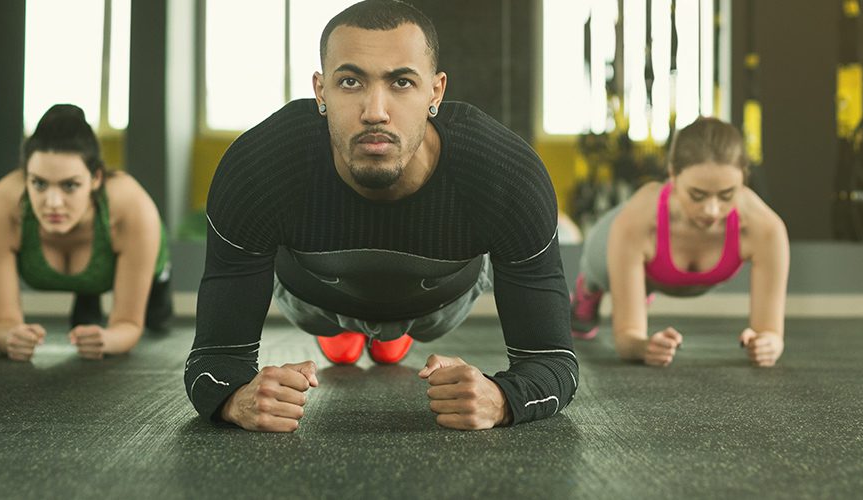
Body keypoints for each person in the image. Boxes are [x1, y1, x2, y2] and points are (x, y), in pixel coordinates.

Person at [185, 0, 577, 432]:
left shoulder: (507, 173)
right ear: (320, 91)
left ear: (436, 92)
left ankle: (390, 337)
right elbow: (212, 362)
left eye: (402, 82)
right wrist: (235, 400)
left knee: (400, 337)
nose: (375, 110)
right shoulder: (258, 166)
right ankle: (353, 334)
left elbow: (553, 361)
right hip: (314, 300)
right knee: (335, 330)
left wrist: (503, 399)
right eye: (350, 81)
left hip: (437, 304)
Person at [570, 117, 789, 368]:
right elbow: (627, 338)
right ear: (672, 174)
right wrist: (644, 347)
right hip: (614, 247)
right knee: (599, 273)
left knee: (637, 284)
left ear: (744, 178)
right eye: (697, 195)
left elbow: (772, 332)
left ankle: (640, 288)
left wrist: (768, 344)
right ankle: (587, 290)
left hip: (658, 264)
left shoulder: (766, 229)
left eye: (727, 194)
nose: (712, 210)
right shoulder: (637, 221)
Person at [0, 104, 172, 362]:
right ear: (25, 178)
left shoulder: (132, 208)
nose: (53, 202)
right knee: (85, 317)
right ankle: (87, 293)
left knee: (158, 322)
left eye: (70, 185)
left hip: (126, 260)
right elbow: (1, 322)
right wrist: (11, 336)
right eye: (39, 183)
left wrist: (109, 339)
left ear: (96, 178)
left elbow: (128, 324)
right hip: (92, 262)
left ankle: (94, 291)